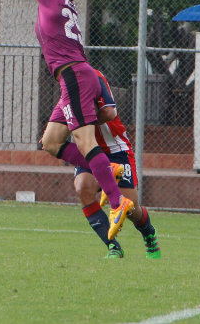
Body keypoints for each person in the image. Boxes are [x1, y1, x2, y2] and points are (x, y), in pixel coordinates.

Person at [0, 0, 133, 240]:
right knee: (50, 141)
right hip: (72, 78)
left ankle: (117, 201)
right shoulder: (66, 7)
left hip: (74, 77)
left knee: (86, 141)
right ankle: (107, 171)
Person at [69, 69, 161, 259]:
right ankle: (113, 246)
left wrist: (84, 121)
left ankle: (148, 232)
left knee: (131, 209)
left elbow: (109, 112)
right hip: (89, 148)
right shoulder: (65, 83)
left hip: (116, 150)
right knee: (82, 187)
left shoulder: (92, 76)